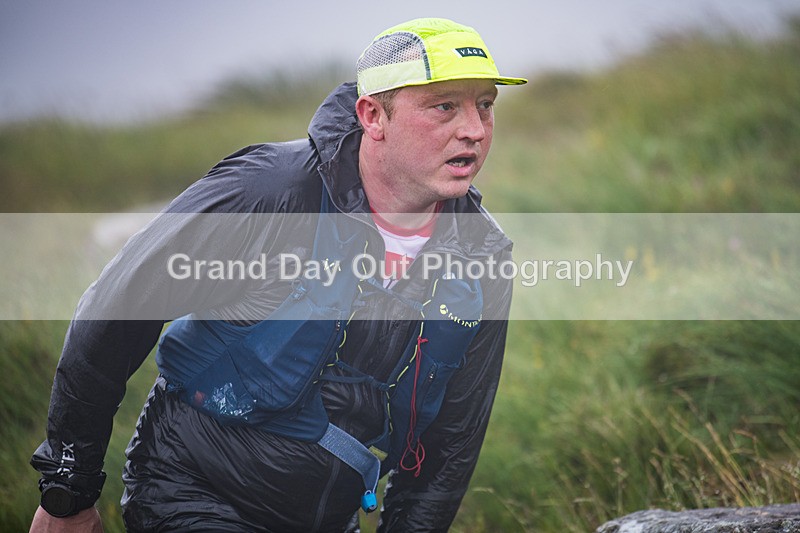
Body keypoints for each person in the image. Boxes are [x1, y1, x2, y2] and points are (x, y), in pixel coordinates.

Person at [29, 17, 526, 532]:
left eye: (485, 105)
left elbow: (450, 445)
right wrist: (69, 491)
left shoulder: (482, 254)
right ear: (373, 115)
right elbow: (115, 311)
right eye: (445, 106)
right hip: (192, 493)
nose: (474, 128)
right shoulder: (268, 193)